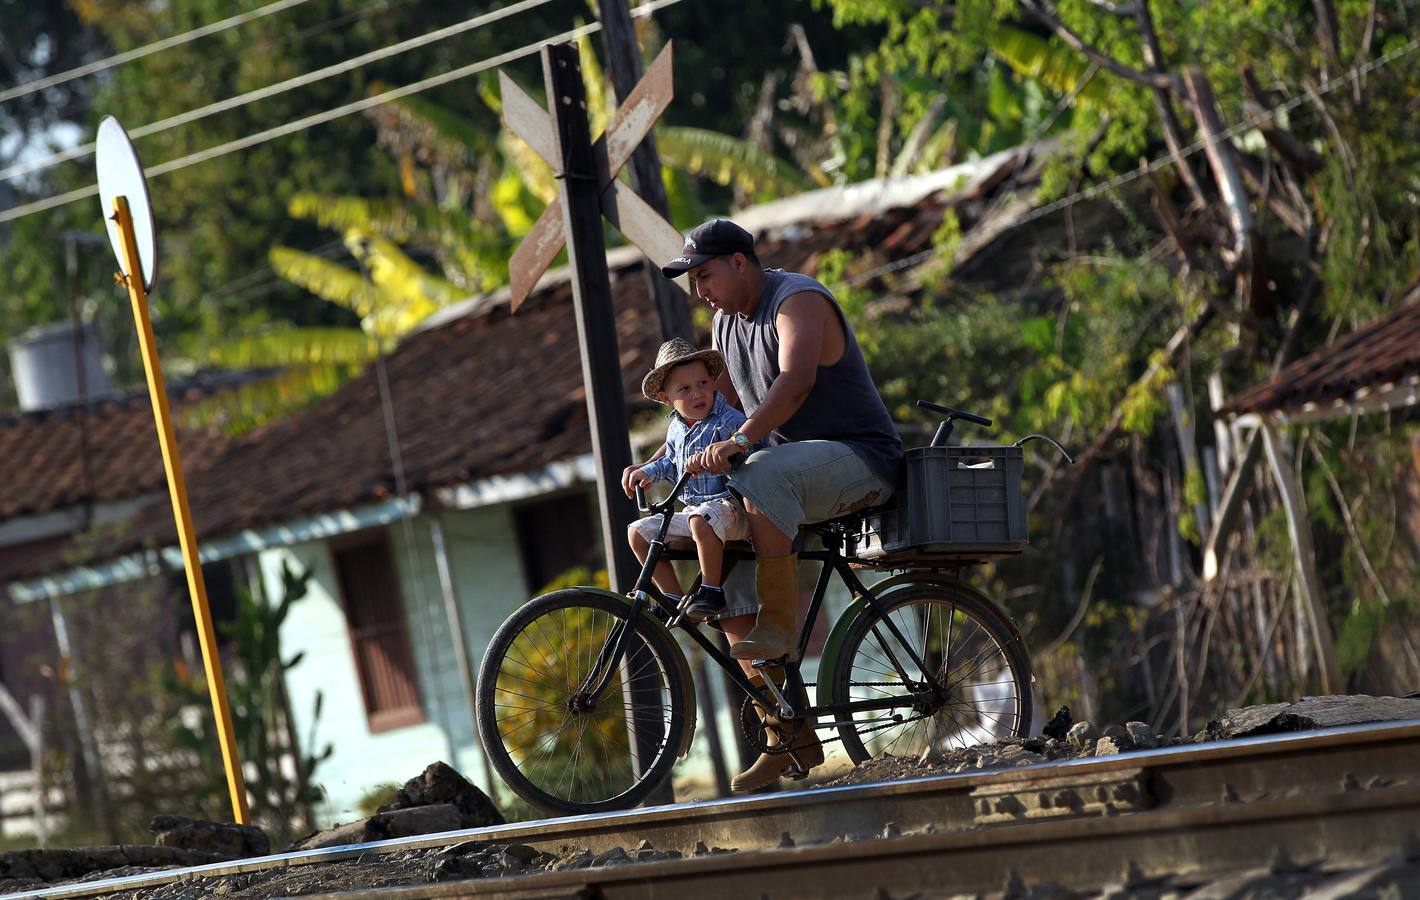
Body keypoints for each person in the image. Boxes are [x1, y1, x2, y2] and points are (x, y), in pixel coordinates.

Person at [660, 218, 903, 792]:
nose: (700, 291)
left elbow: (791, 386)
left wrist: (741, 444)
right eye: (693, 281)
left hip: (859, 460)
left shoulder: (798, 300)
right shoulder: (723, 325)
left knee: (759, 469)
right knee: (726, 584)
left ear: (741, 263)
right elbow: (730, 415)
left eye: (706, 275)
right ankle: (785, 729)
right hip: (785, 476)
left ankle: (781, 625)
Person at [624, 338, 753, 623]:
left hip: (731, 510)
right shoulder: (676, 430)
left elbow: (753, 448)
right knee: (638, 532)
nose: (698, 394)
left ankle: (711, 590)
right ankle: (672, 596)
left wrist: (724, 455)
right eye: (685, 389)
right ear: (666, 398)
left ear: (713, 383)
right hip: (697, 512)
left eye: (703, 383)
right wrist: (646, 471)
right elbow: (669, 462)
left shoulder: (728, 421)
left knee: (700, 520)